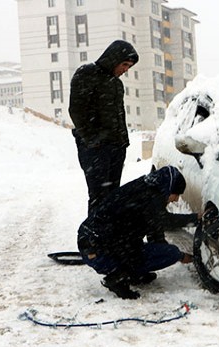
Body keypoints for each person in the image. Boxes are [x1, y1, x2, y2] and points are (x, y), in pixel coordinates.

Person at [77, 166, 199, 299]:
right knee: (170, 253)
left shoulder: (146, 189)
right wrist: (196, 219)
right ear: (168, 188)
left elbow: (155, 229)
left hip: (94, 241)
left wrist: (163, 250)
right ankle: (117, 278)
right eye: (176, 194)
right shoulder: (148, 198)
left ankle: (132, 272)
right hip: (96, 249)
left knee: (165, 252)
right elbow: (166, 221)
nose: (176, 200)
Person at [69, 40, 139, 216]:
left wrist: (123, 142)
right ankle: (93, 239)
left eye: (129, 66)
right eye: (124, 64)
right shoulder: (87, 73)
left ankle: (110, 238)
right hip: (95, 150)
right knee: (99, 197)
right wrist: (93, 141)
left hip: (116, 147)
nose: (126, 70)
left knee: (113, 195)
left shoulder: (117, 84)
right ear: (113, 59)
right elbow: (76, 110)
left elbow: (119, 114)